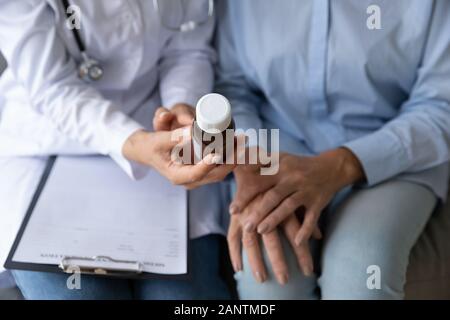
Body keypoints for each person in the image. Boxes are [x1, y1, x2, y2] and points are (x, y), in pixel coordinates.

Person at [215, 0, 450, 299]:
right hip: (275, 143)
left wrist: (342, 165)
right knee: (268, 281)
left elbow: (441, 105)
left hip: (392, 151)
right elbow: (232, 88)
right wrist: (255, 166)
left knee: (362, 277)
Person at [0, 0, 233, 299]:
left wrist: (180, 106)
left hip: (156, 130)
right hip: (48, 142)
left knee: (181, 298)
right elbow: (54, 88)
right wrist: (131, 142)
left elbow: (187, 49)